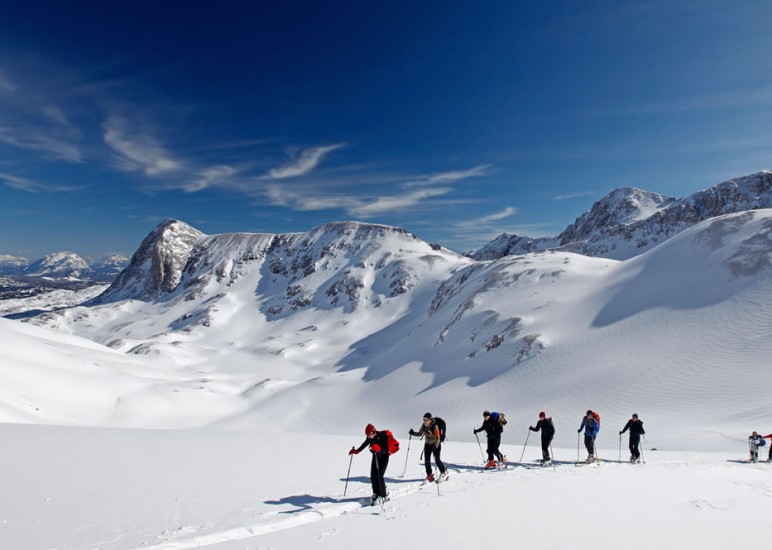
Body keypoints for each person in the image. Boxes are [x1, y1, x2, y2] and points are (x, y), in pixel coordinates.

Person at [349, 423, 390, 505]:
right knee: (373, 476)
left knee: (379, 476)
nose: (368, 437)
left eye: (369, 435)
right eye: (367, 435)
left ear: (373, 432)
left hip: (384, 457)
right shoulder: (370, 437)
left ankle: (383, 495)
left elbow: (386, 450)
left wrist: (378, 449)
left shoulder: (382, 436)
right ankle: (376, 493)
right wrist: (357, 451)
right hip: (375, 457)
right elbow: (365, 444)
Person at [409, 412, 448, 482]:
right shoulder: (424, 425)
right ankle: (429, 475)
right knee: (427, 461)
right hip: (427, 444)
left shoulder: (435, 426)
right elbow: (420, 433)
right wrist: (413, 433)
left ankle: (444, 472)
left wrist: (435, 446)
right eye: (423, 420)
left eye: (425, 420)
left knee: (437, 460)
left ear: (430, 420)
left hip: (436, 444)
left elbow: (438, 438)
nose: (424, 421)